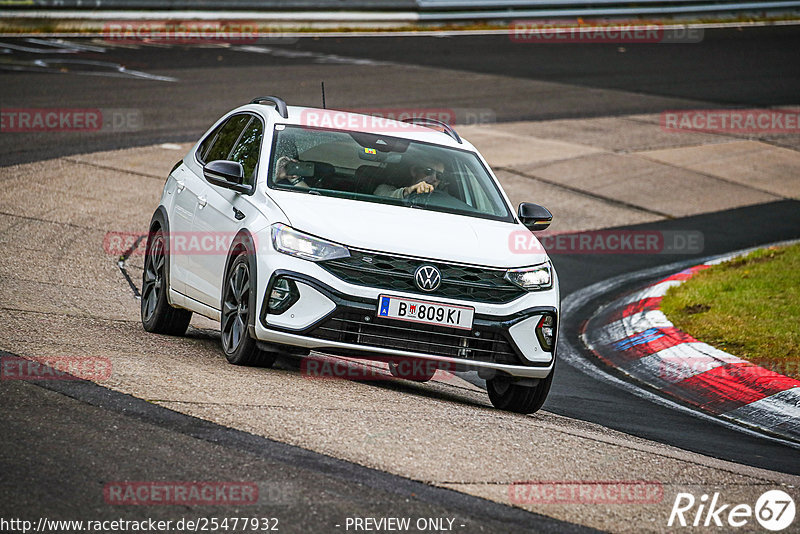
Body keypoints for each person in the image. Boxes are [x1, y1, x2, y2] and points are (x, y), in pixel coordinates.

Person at [373, 157, 446, 199]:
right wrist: (408, 191)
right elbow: (382, 195)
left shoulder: (443, 199)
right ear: (414, 171)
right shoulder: (384, 189)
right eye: (428, 171)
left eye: (439, 175)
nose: (434, 178)